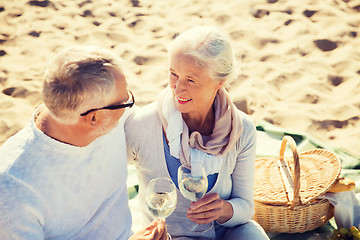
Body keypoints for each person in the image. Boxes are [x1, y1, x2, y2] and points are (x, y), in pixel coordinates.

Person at [0, 45, 168, 240]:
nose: (129, 105)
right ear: (93, 119)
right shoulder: (13, 189)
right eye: (125, 101)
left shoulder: (109, 118)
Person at [125, 26, 270, 239]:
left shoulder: (243, 129)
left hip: (227, 233)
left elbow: (245, 208)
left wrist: (223, 209)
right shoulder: (142, 123)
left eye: (191, 80)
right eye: (174, 74)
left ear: (219, 83)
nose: (178, 88)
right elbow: (104, 181)